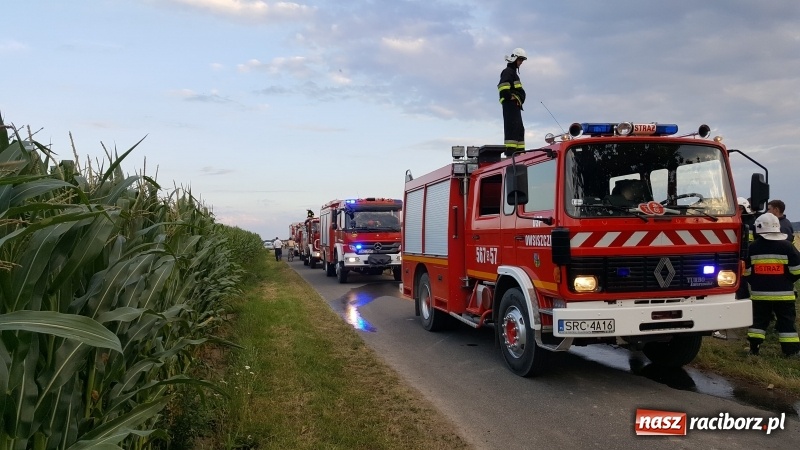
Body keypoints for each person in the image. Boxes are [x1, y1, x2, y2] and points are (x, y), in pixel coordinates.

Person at [742, 213, 800, 358]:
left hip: (759, 294)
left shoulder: (752, 248)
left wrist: (756, 282)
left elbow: (746, 271)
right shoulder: (787, 247)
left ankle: (754, 349)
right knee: (786, 322)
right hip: (784, 294)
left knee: (758, 322)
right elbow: (797, 270)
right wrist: (787, 281)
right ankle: (791, 352)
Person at [498, 47, 527, 157]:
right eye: (520, 60)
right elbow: (503, 87)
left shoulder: (514, 74)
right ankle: (511, 154)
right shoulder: (507, 72)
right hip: (510, 107)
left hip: (515, 107)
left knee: (519, 129)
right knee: (512, 129)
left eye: (522, 60)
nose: (521, 63)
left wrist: (518, 97)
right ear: (514, 59)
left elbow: (520, 92)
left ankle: (520, 154)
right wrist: (510, 97)